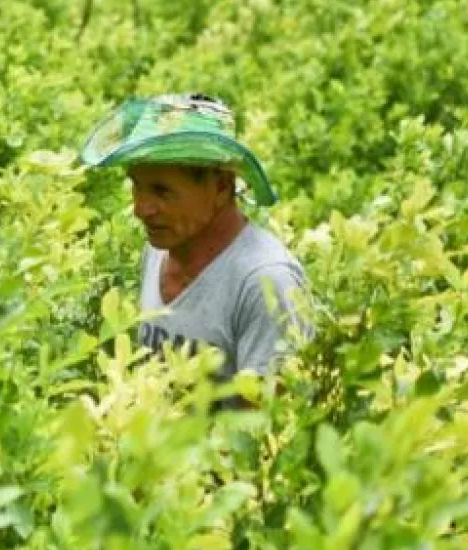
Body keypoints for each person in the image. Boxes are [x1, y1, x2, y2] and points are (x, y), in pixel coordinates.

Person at [80, 93, 311, 409]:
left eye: (162, 191)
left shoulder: (265, 281)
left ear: (220, 187)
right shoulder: (160, 248)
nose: (140, 209)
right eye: (137, 186)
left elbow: (265, 430)